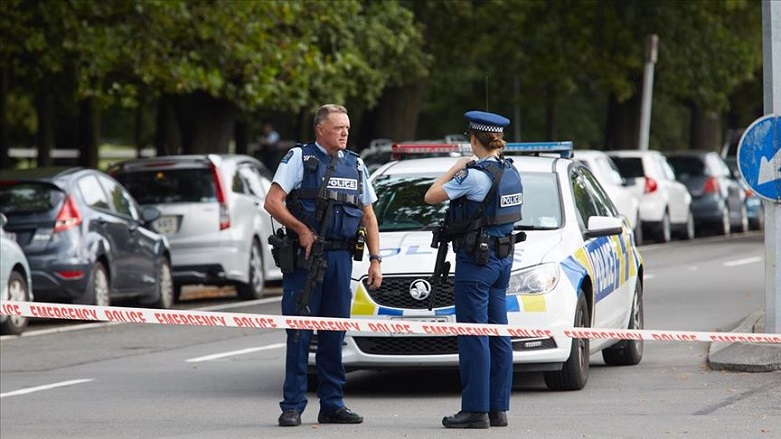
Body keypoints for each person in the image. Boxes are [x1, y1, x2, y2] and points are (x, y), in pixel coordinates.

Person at [264, 104, 383, 427]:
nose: (345, 132)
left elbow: (368, 215)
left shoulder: (356, 164)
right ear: (320, 130)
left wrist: (375, 260)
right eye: (337, 127)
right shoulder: (299, 159)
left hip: (342, 257)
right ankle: (293, 405)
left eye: (347, 127)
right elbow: (272, 202)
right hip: (306, 259)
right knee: (300, 334)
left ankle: (332, 404)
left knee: (334, 334)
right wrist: (301, 229)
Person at [424, 110, 523, 429]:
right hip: (502, 260)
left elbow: (430, 196)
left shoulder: (475, 175)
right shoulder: (511, 171)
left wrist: (454, 169)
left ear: (473, 139)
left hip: (476, 263)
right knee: (498, 333)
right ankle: (498, 408)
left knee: (473, 334)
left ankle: (475, 409)